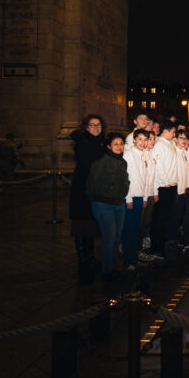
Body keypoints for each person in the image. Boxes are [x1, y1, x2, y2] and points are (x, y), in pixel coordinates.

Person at [85, 132, 130, 280]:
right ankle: (107, 271)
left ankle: (113, 267)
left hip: (119, 205)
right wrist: (95, 202)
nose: (119, 147)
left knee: (117, 238)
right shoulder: (100, 163)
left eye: (121, 144)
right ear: (109, 146)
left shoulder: (123, 162)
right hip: (104, 206)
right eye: (115, 144)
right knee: (109, 238)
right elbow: (91, 185)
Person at [69, 116, 105, 283]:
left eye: (98, 125)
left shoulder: (102, 142)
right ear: (86, 127)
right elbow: (87, 163)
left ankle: (90, 257)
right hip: (82, 189)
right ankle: (83, 260)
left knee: (91, 224)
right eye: (92, 125)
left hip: (96, 189)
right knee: (81, 223)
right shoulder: (82, 142)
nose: (96, 128)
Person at [122, 129, 151, 269]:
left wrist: (145, 196)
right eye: (140, 139)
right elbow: (125, 179)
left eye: (145, 140)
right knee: (129, 229)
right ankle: (128, 260)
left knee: (136, 229)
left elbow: (145, 178)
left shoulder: (145, 154)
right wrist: (128, 199)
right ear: (133, 140)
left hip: (140, 196)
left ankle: (134, 257)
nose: (143, 143)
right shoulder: (128, 155)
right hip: (131, 197)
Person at [149, 120, 179, 258]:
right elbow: (159, 166)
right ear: (165, 131)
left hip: (171, 185)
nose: (174, 134)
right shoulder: (159, 145)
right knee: (159, 219)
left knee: (167, 217)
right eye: (173, 131)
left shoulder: (169, 145)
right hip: (163, 186)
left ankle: (165, 245)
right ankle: (157, 248)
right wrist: (166, 181)